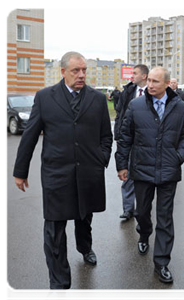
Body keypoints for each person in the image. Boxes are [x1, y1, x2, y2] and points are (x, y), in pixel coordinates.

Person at [13, 51, 113, 300]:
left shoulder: (98, 99)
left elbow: (106, 135)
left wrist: (102, 158)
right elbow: (30, 134)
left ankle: (85, 247)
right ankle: (58, 284)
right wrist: (20, 171)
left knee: (83, 216)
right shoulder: (45, 97)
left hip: (89, 172)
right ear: (63, 72)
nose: (81, 75)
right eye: (75, 71)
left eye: (84, 71)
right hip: (56, 174)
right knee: (54, 229)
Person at [115, 67, 184, 284]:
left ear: (167, 83)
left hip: (168, 171)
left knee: (165, 217)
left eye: (155, 81)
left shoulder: (179, 107)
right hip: (141, 170)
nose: (150, 85)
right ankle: (143, 234)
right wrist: (122, 165)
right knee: (142, 211)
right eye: (148, 80)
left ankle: (161, 262)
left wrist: (178, 157)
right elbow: (125, 137)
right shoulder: (136, 105)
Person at [114, 64, 149, 220]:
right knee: (126, 174)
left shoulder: (153, 91)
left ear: (144, 76)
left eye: (134, 73)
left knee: (144, 177)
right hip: (129, 140)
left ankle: (142, 209)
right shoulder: (128, 92)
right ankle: (128, 209)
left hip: (147, 141)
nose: (131, 76)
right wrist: (118, 134)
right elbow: (119, 114)